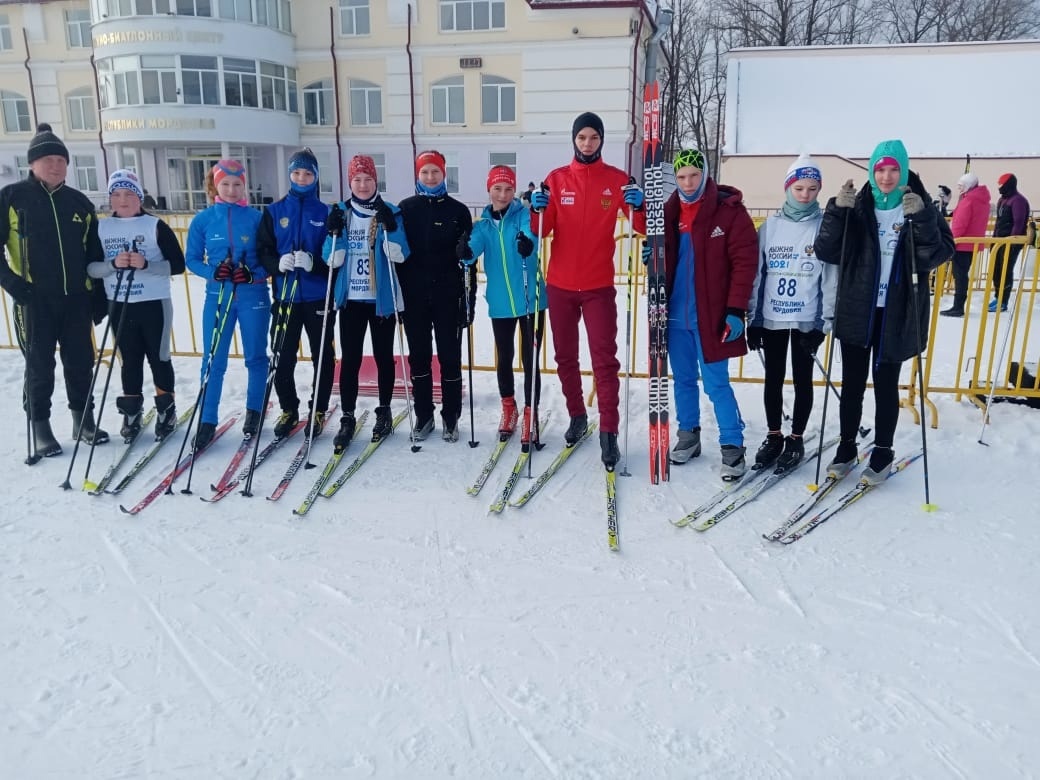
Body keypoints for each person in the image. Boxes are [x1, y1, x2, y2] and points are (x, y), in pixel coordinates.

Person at [814, 139, 953, 483]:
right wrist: (837, 211)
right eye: (880, 169)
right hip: (858, 308)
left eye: (893, 169)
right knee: (852, 384)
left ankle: (883, 450)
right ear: (871, 171)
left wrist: (920, 218)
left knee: (886, 384)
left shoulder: (921, 207)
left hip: (898, 311)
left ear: (903, 170)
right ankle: (847, 447)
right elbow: (827, 250)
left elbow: (936, 255)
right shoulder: (858, 207)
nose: (886, 177)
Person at [529, 111, 645, 468]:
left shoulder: (616, 179)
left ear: (601, 141)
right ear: (574, 140)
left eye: (594, 138)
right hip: (560, 285)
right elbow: (542, 231)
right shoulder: (557, 178)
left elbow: (639, 226)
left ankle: (609, 431)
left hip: (598, 286)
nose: (587, 144)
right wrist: (537, 209)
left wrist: (639, 206)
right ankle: (577, 416)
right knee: (565, 357)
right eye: (582, 138)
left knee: (604, 361)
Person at [0, 123, 109, 456]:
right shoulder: (12, 198)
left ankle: (83, 420)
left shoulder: (79, 203)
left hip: (76, 299)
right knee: (39, 364)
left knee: (80, 361)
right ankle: (42, 427)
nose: (55, 165)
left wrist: (98, 294)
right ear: (32, 164)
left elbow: (94, 253)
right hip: (34, 300)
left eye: (61, 159)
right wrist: (15, 285)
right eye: (47, 159)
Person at [650, 148, 757, 479]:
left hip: (710, 316)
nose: (688, 182)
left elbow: (745, 263)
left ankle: (732, 446)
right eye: (681, 177)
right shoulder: (668, 213)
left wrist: (736, 310)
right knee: (682, 379)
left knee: (716, 383)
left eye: (694, 175)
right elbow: (665, 257)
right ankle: (688, 434)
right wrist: (652, 256)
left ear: (705, 174)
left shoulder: (728, 212)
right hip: (675, 314)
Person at [747, 154, 836, 471]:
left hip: (805, 318)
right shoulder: (770, 227)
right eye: (799, 188)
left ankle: (795, 438)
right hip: (772, 316)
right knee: (773, 378)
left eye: (813, 189)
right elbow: (758, 274)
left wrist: (824, 324)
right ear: (787, 188)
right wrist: (753, 319)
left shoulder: (824, 226)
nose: (806, 195)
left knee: (802, 379)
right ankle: (774, 435)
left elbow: (830, 277)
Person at [88, 169, 185, 441]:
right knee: (129, 360)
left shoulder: (155, 226)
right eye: (117, 194)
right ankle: (131, 413)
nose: (123, 199)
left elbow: (177, 265)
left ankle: (167, 411)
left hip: (154, 303)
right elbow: (91, 268)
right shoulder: (101, 227)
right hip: (119, 303)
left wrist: (146, 264)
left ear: (139, 197)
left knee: (159, 357)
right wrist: (111, 265)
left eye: (129, 194)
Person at [324, 154, 409, 447]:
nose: (362, 185)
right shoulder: (340, 212)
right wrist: (332, 232)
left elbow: (401, 254)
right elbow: (330, 257)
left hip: (381, 300)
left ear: (376, 181)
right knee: (351, 359)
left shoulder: (391, 212)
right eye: (357, 179)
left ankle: (383, 410)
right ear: (350, 182)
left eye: (368, 179)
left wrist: (391, 233)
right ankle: (347, 415)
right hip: (351, 299)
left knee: (385, 357)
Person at [184, 159, 271, 450]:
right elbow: (192, 258)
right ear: (215, 186)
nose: (232, 190)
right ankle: (207, 420)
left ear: (244, 186)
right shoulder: (204, 219)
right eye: (225, 184)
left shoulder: (257, 219)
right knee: (213, 359)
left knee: (256, 357)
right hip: (218, 296)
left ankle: (254, 412)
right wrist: (212, 271)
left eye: (237, 184)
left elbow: (269, 257)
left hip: (253, 296)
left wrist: (253, 273)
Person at [457, 165, 546, 444]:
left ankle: (531, 411)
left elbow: (532, 237)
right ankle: (509, 407)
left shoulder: (523, 216)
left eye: (508, 189)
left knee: (529, 359)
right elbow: (470, 254)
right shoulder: (482, 225)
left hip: (531, 299)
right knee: (504, 357)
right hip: (500, 303)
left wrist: (527, 244)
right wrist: (465, 252)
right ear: (489, 190)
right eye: (498, 188)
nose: (503, 194)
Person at [257, 148, 335, 439]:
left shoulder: (326, 212)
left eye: (308, 173)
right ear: (290, 175)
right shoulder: (274, 211)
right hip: (286, 296)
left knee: (322, 356)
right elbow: (262, 251)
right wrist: (275, 264)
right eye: (297, 173)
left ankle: (319, 409)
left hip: (317, 297)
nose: (302, 178)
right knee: (282, 356)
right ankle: (289, 409)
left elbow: (335, 257)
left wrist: (315, 263)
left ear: (315, 177)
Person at [396, 150, 473, 442]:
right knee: (419, 358)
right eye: (425, 172)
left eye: (436, 172)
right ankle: (424, 413)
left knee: (450, 357)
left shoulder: (458, 211)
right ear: (418, 175)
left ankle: (451, 414)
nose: (430, 177)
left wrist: (469, 302)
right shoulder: (406, 208)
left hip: (447, 294)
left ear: (444, 174)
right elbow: (398, 253)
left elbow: (469, 261)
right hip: (414, 295)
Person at [941, 172, 991, 318]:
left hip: (962, 243)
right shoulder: (981, 200)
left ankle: (958, 306)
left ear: (969, 186)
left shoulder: (969, 201)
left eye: (961, 186)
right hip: (971, 243)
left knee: (960, 276)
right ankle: (958, 305)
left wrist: (950, 241)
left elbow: (960, 224)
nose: (959, 189)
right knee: (961, 275)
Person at [989, 173, 1030, 313]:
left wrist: (1011, 243)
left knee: (1005, 270)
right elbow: (999, 223)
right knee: (996, 270)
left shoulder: (1018, 200)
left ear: (1008, 184)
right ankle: (997, 296)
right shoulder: (1002, 200)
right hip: (999, 241)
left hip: (1011, 242)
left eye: (1001, 185)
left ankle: (1003, 301)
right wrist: (994, 240)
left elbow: (1018, 223)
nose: (999, 187)